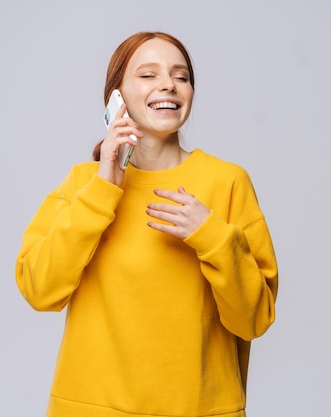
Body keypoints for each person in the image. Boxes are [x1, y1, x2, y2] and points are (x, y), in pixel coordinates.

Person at [15, 31, 278, 417]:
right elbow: (40, 289)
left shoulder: (227, 183)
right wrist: (103, 189)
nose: (168, 85)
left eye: (181, 76)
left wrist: (211, 235)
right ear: (116, 97)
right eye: (148, 74)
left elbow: (253, 319)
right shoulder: (82, 184)